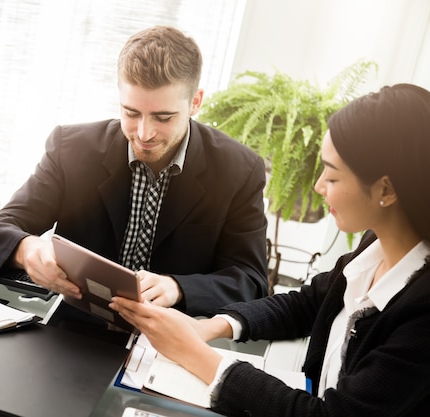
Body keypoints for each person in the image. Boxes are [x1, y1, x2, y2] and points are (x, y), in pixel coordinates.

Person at [110, 83, 430, 416]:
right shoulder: (374, 248)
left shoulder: (422, 314)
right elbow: (305, 304)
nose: (319, 186)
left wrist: (195, 354)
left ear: (386, 190)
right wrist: (210, 327)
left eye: (332, 177)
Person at [0, 25, 268, 332]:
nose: (144, 134)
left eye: (163, 117)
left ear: (196, 102)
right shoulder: (72, 148)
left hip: (172, 340)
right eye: (131, 112)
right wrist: (27, 250)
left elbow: (251, 280)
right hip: (73, 330)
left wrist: (177, 288)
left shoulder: (239, 170)